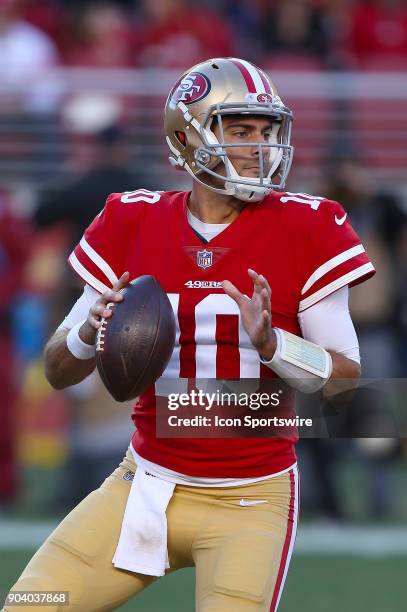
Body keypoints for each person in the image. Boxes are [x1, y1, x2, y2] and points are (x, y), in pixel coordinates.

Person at [4, 57, 375, 612]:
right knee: (33, 605)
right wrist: (89, 329)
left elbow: (346, 384)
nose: (260, 146)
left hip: (249, 501)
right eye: (241, 130)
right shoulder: (131, 219)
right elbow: (58, 371)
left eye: (267, 131)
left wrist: (274, 344)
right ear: (188, 135)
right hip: (141, 485)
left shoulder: (310, 225)